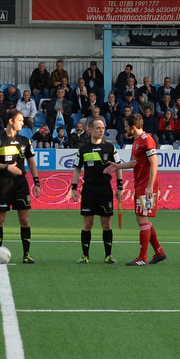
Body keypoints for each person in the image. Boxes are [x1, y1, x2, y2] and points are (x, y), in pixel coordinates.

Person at [0, 109, 39, 262]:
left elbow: (31, 162)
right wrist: (6, 166)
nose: (23, 123)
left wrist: (37, 182)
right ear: (11, 121)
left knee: (24, 220)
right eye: (20, 120)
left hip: (21, 184)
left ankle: (26, 255)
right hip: (4, 184)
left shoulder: (25, 141)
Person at [69, 117, 121, 263]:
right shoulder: (83, 149)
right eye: (98, 128)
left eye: (103, 128)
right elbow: (77, 169)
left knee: (106, 224)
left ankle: (108, 256)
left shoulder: (110, 148)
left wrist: (120, 187)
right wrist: (74, 188)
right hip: (89, 190)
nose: (101, 130)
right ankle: (85, 256)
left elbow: (118, 168)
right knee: (87, 224)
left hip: (105, 190)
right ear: (90, 130)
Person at [124, 113, 166, 266]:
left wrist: (150, 186)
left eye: (126, 126)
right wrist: (117, 166)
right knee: (143, 218)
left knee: (142, 218)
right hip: (140, 185)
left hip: (146, 186)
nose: (125, 129)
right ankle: (159, 251)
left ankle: (143, 257)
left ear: (133, 127)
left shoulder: (147, 140)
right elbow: (135, 163)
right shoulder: (137, 141)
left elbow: (154, 163)